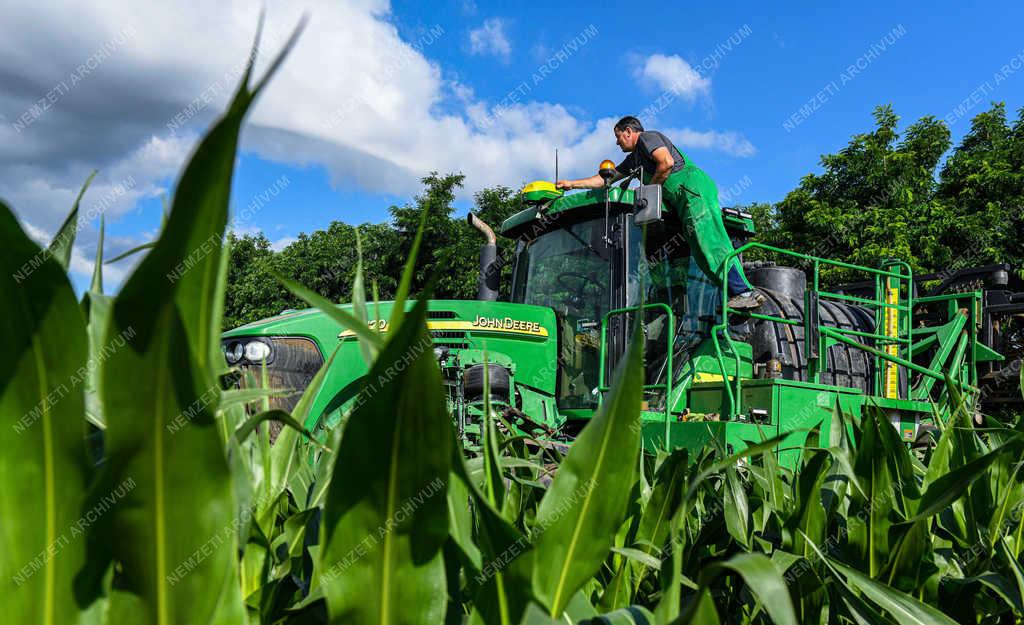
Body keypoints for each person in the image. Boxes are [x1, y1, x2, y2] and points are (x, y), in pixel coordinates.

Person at [556, 116, 764, 310]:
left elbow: (666, 163)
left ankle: (745, 291)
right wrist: (571, 184)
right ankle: (736, 298)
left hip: (692, 189)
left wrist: (648, 192)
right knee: (700, 255)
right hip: (680, 199)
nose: (617, 143)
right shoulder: (633, 160)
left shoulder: (648, 138)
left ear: (628, 131)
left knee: (708, 240)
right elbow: (605, 180)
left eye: (618, 137)